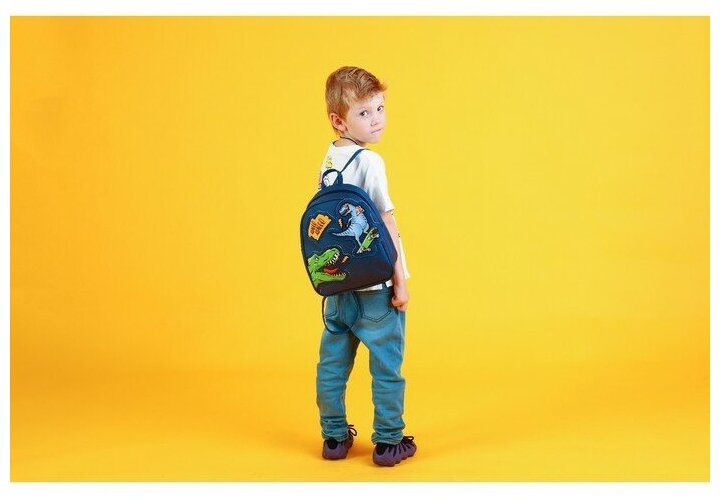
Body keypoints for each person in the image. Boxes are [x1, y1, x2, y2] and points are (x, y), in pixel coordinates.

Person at [315, 66, 416, 467]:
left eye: (380, 108)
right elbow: (386, 222)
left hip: (338, 285)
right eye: (364, 112)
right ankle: (389, 442)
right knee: (386, 364)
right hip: (375, 288)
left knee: (332, 366)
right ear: (339, 120)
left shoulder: (329, 158)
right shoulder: (370, 162)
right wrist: (400, 281)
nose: (377, 119)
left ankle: (334, 438)